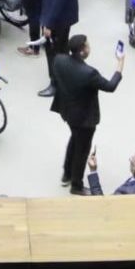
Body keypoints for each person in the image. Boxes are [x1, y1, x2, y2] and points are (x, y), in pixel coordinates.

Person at [47, 33, 124, 191]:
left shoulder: (59, 60)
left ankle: (66, 174)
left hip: (68, 111)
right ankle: (77, 184)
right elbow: (110, 86)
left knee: (74, 140)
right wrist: (120, 63)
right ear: (82, 51)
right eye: (88, 46)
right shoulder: (89, 73)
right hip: (84, 119)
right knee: (82, 151)